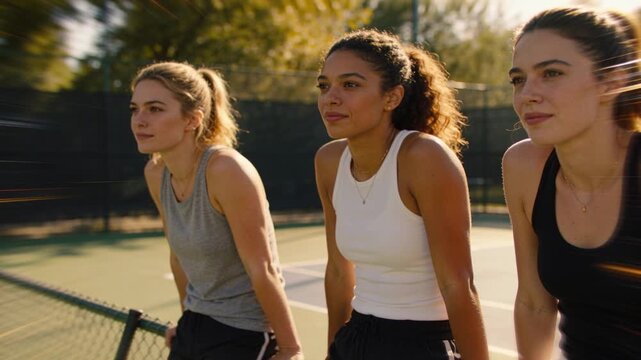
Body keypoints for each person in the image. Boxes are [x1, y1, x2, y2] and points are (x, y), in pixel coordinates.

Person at [314, 29, 489, 359]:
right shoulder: (328, 161)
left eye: (349, 85)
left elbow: (458, 286)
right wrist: (332, 349)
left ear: (391, 98)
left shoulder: (424, 158)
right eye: (324, 85)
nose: (330, 97)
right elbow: (338, 271)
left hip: (421, 343)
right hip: (355, 337)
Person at [129, 61, 303, 360]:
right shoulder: (156, 173)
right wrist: (187, 321)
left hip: (245, 333)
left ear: (192, 119)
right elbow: (178, 257)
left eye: (155, 109)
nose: (139, 120)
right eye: (135, 108)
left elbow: (262, 269)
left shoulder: (226, 170)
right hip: (197, 323)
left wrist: (291, 348)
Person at [503, 7, 641, 359]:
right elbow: (534, 304)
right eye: (518, 79)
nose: (527, 94)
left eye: (551, 73)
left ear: (612, 81)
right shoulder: (524, 167)